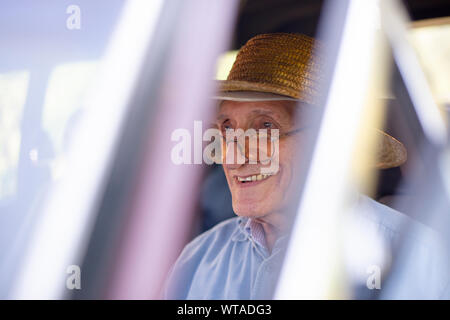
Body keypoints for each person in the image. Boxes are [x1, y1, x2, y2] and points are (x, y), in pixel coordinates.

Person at [164, 33, 449, 299]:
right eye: (227, 128)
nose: (235, 158)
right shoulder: (198, 260)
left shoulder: (416, 258)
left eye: (266, 127)